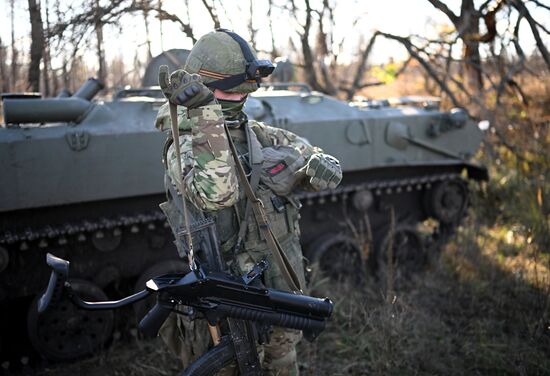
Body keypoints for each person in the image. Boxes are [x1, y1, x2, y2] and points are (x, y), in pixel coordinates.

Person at [154, 29, 342, 376]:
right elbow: (218, 192)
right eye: (230, 90)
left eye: (245, 90)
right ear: (203, 89)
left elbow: (302, 150)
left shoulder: (251, 132)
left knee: (283, 363)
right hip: (228, 310)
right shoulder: (182, 145)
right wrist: (204, 114)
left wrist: (319, 165)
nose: (241, 97)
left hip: (277, 294)